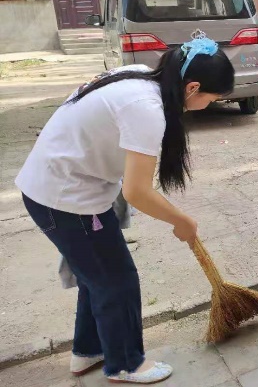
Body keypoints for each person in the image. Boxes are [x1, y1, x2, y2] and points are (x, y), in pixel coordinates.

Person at [15, 36, 234, 383]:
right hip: (66, 199)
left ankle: (88, 350)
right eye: (211, 98)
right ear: (192, 87)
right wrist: (180, 220)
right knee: (117, 282)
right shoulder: (146, 109)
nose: (208, 105)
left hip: (59, 188)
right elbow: (136, 191)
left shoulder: (140, 75)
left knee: (98, 277)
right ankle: (126, 364)